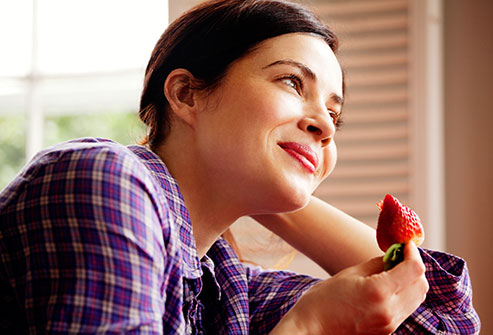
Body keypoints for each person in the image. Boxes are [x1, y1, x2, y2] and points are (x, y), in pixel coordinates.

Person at [0, 0, 480, 333]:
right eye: (292, 82)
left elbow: (436, 319)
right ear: (187, 94)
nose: (325, 126)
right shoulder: (101, 179)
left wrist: (267, 187)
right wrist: (309, 326)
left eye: (333, 115)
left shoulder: (220, 282)